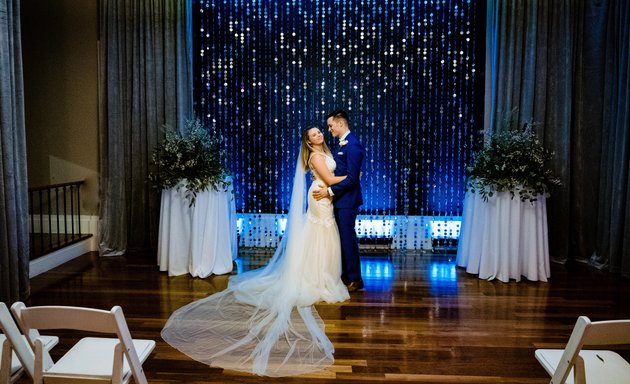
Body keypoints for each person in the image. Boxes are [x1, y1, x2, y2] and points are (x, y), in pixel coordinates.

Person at [161, 125, 349, 377]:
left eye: (319, 132)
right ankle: (317, 277)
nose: (319, 135)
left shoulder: (324, 150)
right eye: (314, 134)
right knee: (321, 233)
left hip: (324, 198)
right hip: (320, 196)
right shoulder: (315, 155)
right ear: (307, 141)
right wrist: (351, 180)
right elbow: (327, 179)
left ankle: (320, 272)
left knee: (322, 235)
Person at [313, 109, 365, 292]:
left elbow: (352, 179)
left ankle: (355, 278)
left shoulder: (353, 146)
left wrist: (329, 190)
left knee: (347, 239)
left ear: (341, 123)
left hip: (347, 201)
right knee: (341, 239)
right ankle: (344, 274)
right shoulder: (341, 145)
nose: (329, 129)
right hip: (339, 200)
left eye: (331, 125)